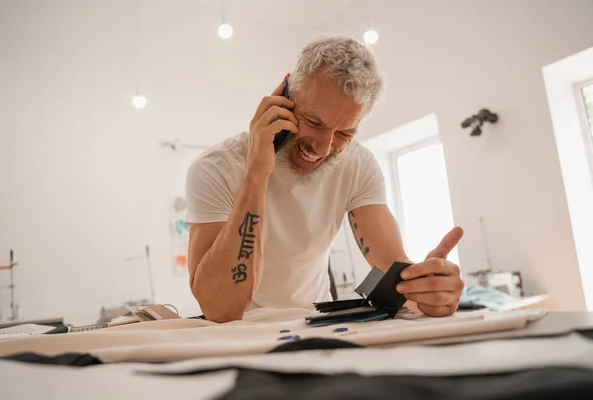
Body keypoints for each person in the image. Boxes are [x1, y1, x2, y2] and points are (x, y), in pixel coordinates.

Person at [186, 35, 464, 323]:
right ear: (284, 97)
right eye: (314, 123)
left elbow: (395, 271)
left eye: (344, 134)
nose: (323, 148)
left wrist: (428, 289)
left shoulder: (357, 164)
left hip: (314, 328)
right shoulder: (216, 168)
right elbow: (221, 309)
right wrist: (257, 171)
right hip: (240, 333)